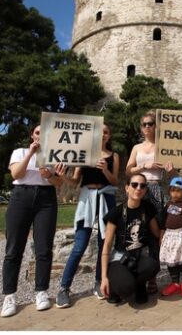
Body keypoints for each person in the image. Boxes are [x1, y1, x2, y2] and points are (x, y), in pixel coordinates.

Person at [1, 125, 64, 318]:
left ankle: (41, 291)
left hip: (46, 198)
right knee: (13, 248)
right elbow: (16, 174)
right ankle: (9, 296)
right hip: (22, 196)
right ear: (32, 135)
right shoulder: (19, 152)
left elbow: (59, 183)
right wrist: (30, 154)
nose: (40, 136)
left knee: (44, 247)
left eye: (43, 134)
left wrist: (51, 176)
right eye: (37, 133)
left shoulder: (54, 155)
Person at [55, 123, 120, 308]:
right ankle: (64, 288)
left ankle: (99, 281)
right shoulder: (83, 153)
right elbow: (75, 181)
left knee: (104, 244)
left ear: (109, 136)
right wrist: (62, 175)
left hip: (106, 198)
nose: (104, 134)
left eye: (107, 132)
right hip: (87, 199)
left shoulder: (113, 156)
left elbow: (115, 180)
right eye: (101, 131)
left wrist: (105, 170)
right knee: (80, 245)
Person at [125, 111, 177, 293]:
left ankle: (153, 277)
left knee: (156, 234)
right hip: (138, 189)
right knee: (135, 231)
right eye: (144, 124)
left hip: (155, 188)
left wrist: (170, 170)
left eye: (150, 124)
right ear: (141, 127)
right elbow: (128, 169)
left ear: (156, 126)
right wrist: (144, 166)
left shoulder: (163, 147)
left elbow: (173, 174)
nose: (147, 127)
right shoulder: (136, 147)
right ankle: (135, 274)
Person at [100, 174, 161, 304]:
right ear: (127, 188)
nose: (138, 188)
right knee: (126, 288)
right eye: (134, 185)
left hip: (138, 256)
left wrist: (176, 225)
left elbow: (157, 233)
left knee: (153, 266)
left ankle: (140, 286)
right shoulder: (116, 213)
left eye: (142, 186)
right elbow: (107, 245)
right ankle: (115, 288)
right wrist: (103, 277)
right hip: (119, 258)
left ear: (145, 190)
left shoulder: (148, 208)